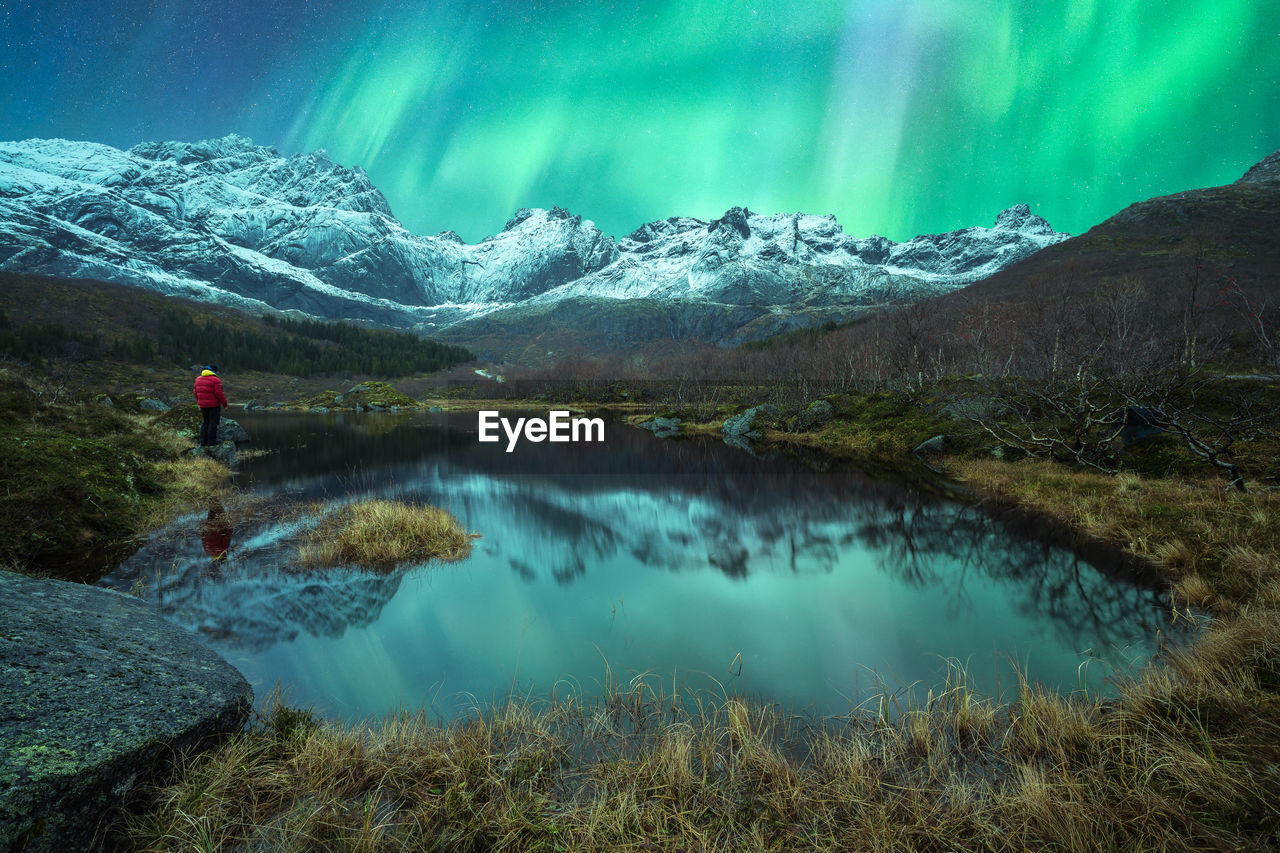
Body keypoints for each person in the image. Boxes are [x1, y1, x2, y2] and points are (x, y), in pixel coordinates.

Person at [193, 364, 229, 446]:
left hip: (202, 405)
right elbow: (219, 393)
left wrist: (199, 401)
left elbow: (195, 392)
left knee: (205, 422)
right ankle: (211, 442)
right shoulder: (216, 380)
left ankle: (203, 442)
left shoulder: (198, 379)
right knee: (213, 423)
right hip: (214, 405)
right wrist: (225, 404)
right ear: (213, 371)